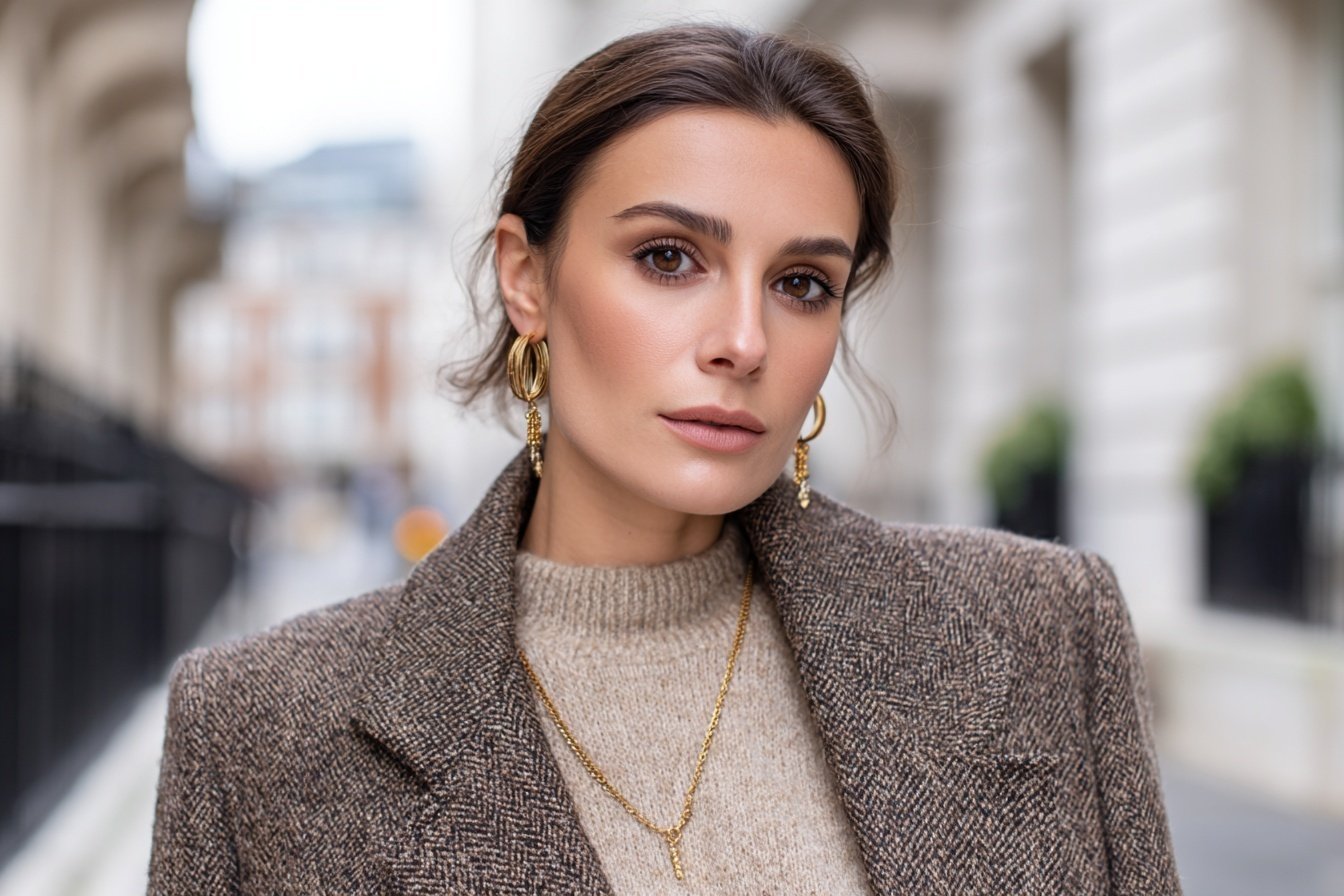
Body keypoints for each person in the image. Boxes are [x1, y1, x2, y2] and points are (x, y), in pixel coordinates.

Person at [147, 23, 1181, 896]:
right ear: (528, 279)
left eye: (803, 282)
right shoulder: (262, 732)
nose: (744, 339)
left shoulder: (1044, 628)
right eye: (668, 258)